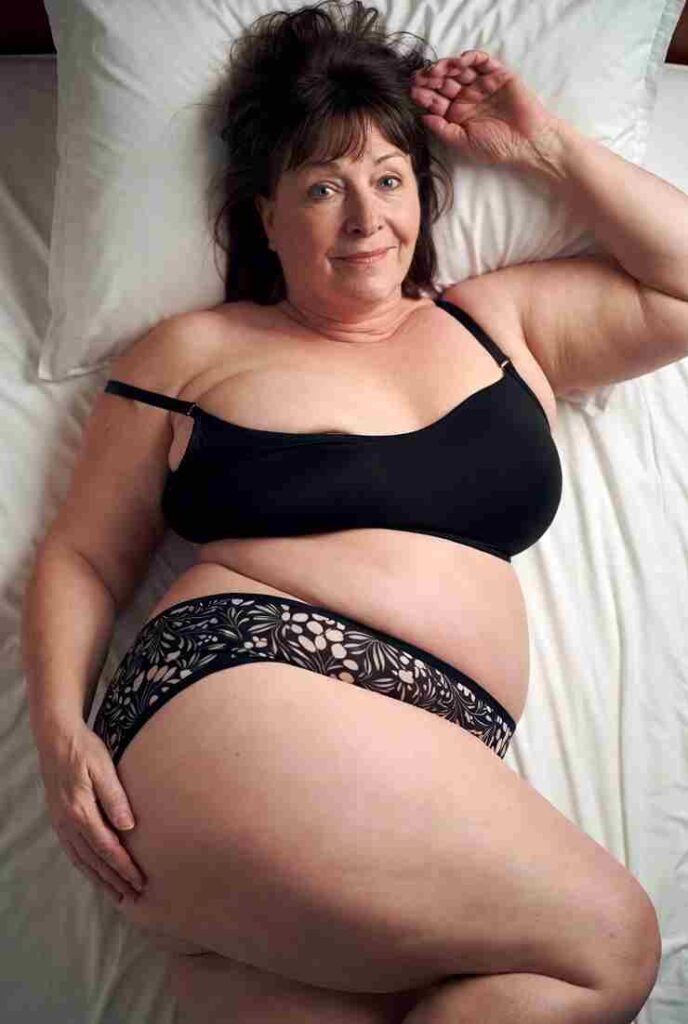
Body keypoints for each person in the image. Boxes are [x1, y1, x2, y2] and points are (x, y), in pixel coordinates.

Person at [21, 1, 688, 1021]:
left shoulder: (498, 322)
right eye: (323, 187)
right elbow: (83, 556)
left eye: (388, 179)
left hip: (402, 780)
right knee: (609, 947)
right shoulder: (192, 353)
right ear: (265, 216)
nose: (366, 219)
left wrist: (547, 148)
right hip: (243, 694)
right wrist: (59, 738)